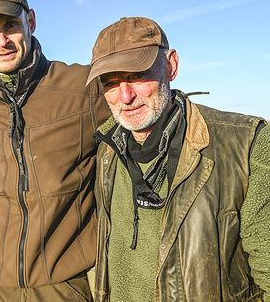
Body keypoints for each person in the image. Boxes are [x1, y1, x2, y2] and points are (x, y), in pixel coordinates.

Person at [88, 16, 270, 301]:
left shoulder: (245, 143)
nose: (125, 96)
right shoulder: (106, 151)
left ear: (171, 65)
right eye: (110, 82)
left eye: (137, 75)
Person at [0, 0, 110, 300]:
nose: (1, 40)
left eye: (10, 25)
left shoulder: (83, 88)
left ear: (31, 21)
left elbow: (142, 105)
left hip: (65, 283)